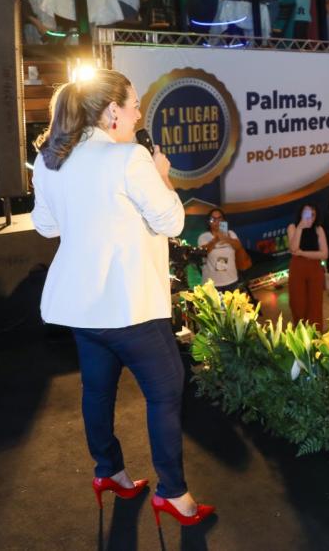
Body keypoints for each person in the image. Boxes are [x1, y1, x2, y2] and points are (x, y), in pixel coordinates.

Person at [30, 70, 212, 524]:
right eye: (133, 105)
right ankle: (172, 492)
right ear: (112, 111)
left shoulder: (51, 161)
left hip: (82, 308)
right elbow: (172, 223)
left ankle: (109, 471)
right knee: (167, 391)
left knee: (97, 391)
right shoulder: (130, 158)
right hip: (130, 307)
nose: (137, 114)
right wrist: (163, 176)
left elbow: (46, 227)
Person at [287, 204, 328, 329]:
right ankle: (300, 335)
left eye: (313, 214)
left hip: (315, 269)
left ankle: (315, 336)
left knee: (315, 304)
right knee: (297, 303)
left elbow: (324, 254)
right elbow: (293, 248)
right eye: (307, 214)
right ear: (300, 214)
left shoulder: (319, 229)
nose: (310, 217)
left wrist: (303, 253)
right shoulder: (293, 227)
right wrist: (300, 228)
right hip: (297, 268)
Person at [198, 209, 246, 292]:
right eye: (213, 219)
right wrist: (216, 239)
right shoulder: (203, 237)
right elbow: (203, 252)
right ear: (209, 222)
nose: (217, 222)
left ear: (224, 220)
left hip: (231, 280)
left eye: (220, 219)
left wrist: (227, 238)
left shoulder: (231, 233)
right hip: (212, 284)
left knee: (231, 305)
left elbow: (238, 247)